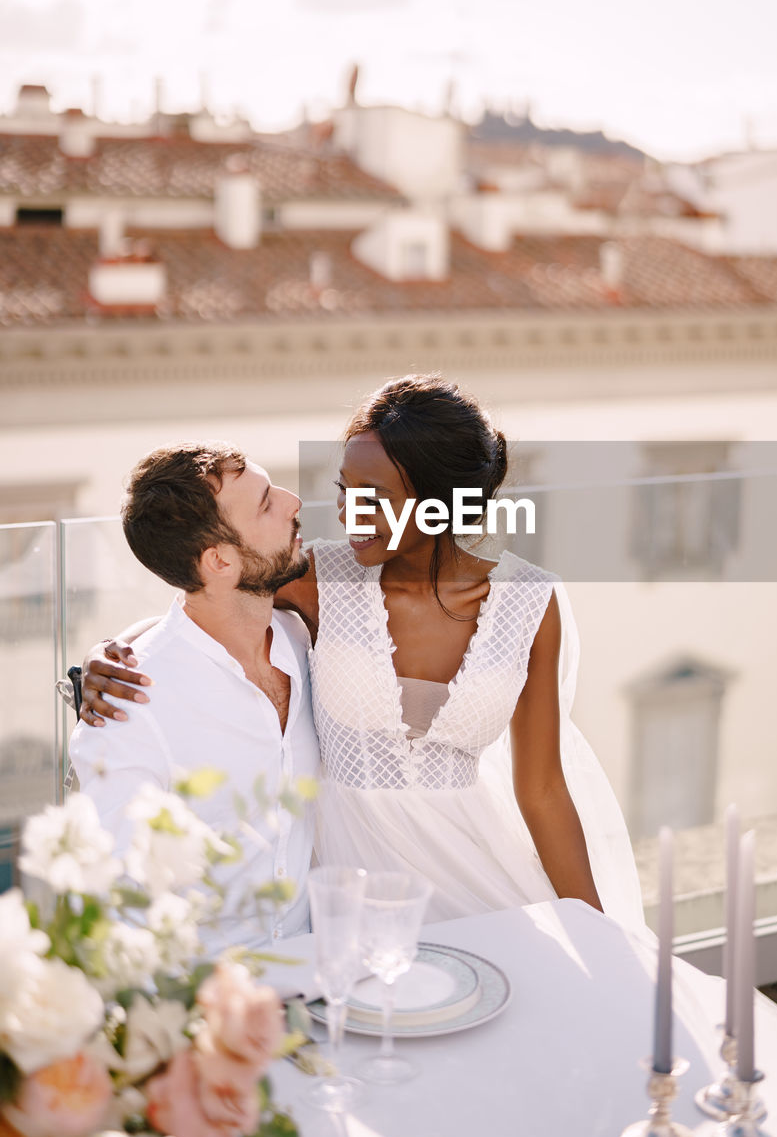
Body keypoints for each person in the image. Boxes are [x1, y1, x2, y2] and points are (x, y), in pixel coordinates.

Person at [80, 376, 644, 931]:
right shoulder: (320, 579)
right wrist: (115, 652)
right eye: (346, 490)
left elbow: (542, 789)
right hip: (350, 894)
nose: (350, 514)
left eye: (377, 499)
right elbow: (208, 595)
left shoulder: (530, 603)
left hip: (483, 875)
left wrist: (598, 932)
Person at [69, 443, 320, 955]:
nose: (294, 502)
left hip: (316, 968)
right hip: (203, 1000)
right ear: (220, 560)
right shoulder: (130, 705)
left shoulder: (304, 642)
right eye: (267, 503)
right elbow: (112, 899)